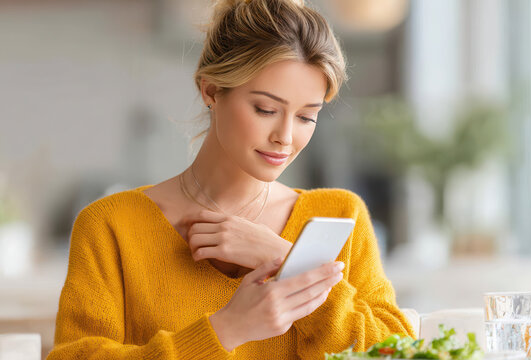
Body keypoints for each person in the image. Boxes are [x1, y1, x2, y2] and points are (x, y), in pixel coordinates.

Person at [47, 0, 414, 358]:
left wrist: (287, 260)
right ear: (210, 91)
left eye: (306, 117)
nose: (285, 137)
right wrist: (227, 329)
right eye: (266, 109)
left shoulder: (340, 215)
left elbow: (398, 352)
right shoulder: (111, 226)